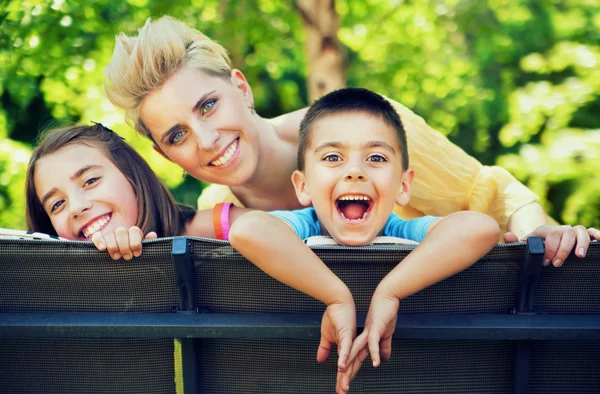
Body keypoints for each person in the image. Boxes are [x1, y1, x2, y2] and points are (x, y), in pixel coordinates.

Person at [103, 16, 598, 267]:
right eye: (178, 135)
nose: (207, 139)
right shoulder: (222, 213)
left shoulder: (366, 127)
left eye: (208, 105)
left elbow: (493, 191)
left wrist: (543, 234)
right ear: (165, 156)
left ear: (242, 87)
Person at [24, 122, 356, 375]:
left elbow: (270, 229)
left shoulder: (209, 228)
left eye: (90, 181)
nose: (78, 206)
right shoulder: (51, 295)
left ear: (132, 176)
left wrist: (335, 295)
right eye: (56, 204)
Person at [227, 87, 500, 393]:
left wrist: (389, 292)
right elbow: (246, 229)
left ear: (403, 185)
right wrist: (336, 296)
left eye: (376, 157)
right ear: (302, 186)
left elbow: (480, 226)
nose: (355, 171)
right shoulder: (302, 227)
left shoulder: (401, 232)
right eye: (333, 157)